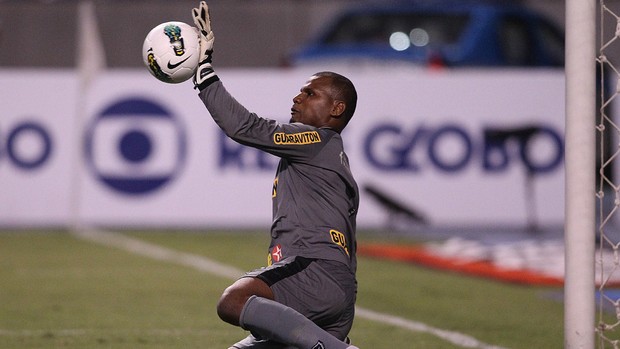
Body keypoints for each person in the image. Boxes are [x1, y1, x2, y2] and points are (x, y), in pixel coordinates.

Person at [190, 2, 360, 349]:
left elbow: (245, 127)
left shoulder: (316, 141)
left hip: (313, 271)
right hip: (333, 285)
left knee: (234, 301)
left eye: (310, 93)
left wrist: (203, 71)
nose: (297, 97)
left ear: (336, 109)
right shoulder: (329, 158)